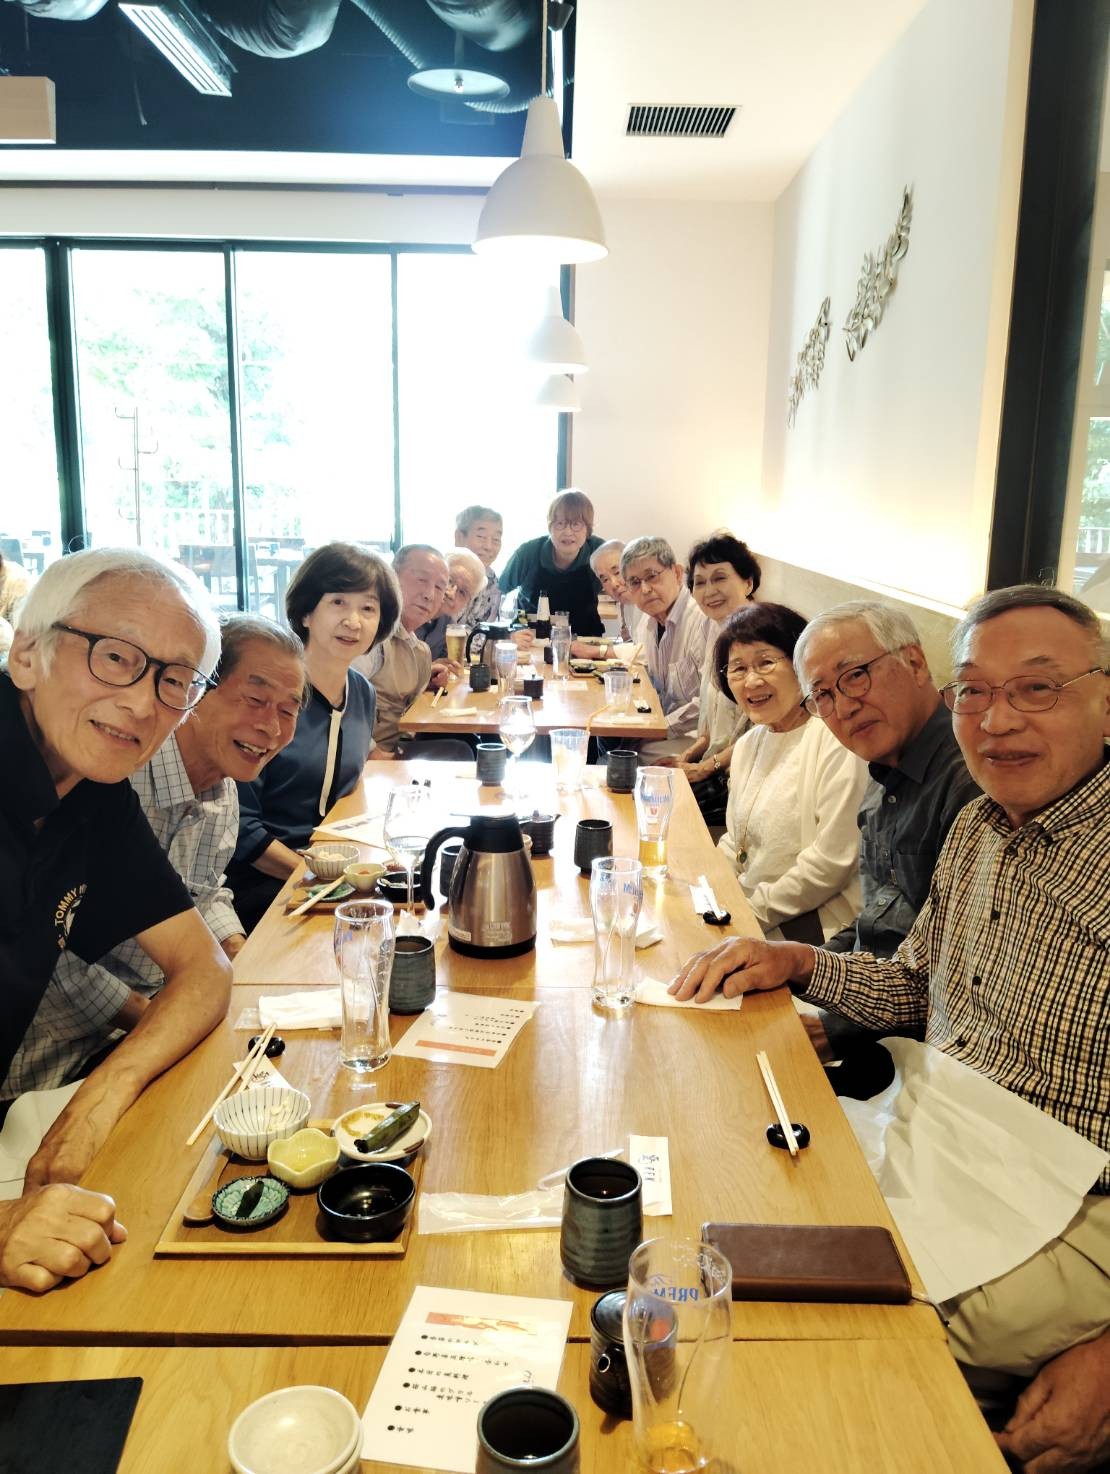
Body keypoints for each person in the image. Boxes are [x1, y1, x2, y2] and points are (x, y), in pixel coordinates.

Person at [671, 585, 1110, 1392]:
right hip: (935, 1123)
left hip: (1073, 1189)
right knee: (735, 1193)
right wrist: (798, 964)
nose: (996, 720)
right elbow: (915, 983)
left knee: (848, 1349)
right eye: (974, 691)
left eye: (1037, 688)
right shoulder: (981, 827)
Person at [2, 546, 231, 1292]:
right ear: (27, 653)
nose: (142, 703)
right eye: (115, 657)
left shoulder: (92, 791)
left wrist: (102, 1096)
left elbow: (204, 969)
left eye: (174, 680)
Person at [4, 615, 306, 1100]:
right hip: (56, 1062)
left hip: (157, 1017)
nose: (271, 726)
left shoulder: (222, 790)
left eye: (288, 710)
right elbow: (54, 961)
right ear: (193, 693)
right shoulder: (111, 778)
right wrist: (170, 1020)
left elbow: (206, 890)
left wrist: (240, 959)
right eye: (254, 700)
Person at [792, 600, 982, 1087]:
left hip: (913, 1054)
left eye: (855, 676)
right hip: (861, 1004)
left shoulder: (973, 783)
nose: (844, 707)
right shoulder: (883, 773)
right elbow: (876, 920)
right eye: (822, 695)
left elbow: (949, 977)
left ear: (915, 662)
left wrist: (832, 1029)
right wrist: (797, 969)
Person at [229, 542, 398, 932]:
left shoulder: (361, 692)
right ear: (306, 612)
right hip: (264, 884)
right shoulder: (270, 697)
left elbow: (351, 782)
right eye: (338, 602)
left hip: (334, 871)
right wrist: (320, 877)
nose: (353, 621)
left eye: (368, 608)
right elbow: (240, 828)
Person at [716, 602, 867, 939]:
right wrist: (708, 887)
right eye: (738, 668)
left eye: (765, 663)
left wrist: (748, 914)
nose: (751, 680)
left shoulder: (836, 741)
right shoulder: (749, 744)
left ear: (802, 665)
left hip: (814, 923)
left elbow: (830, 865)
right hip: (747, 907)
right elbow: (735, 841)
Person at [657, 533, 760, 824]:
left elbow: (761, 734)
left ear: (748, 582)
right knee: (648, 783)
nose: (709, 590)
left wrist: (703, 769)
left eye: (720, 578)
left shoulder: (758, 640)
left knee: (660, 811)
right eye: (700, 582)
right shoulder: (717, 634)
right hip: (716, 767)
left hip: (741, 777)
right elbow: (710, 731)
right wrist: (686, 758)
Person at [620, 535, 712, 758]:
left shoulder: (703, 620)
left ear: (677, 573)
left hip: (697, 736)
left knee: (632, 758)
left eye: (652, 576)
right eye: (635, 582)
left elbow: (708, 704)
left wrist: (659, 727)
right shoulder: (647, 622)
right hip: (660, 726)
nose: (645, 589)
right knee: (611, 745)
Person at [356, 544, 447, 755]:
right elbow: (337, 705)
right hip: (366, 759)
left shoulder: (420, 651)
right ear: (391, 578)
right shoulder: (371, 638)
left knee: (464, 746)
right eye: (422, 580)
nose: (429, 595)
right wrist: (374, 754)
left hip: (398, 749)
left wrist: (427, 682)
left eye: (439, 587)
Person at [499, 489, 604, 638]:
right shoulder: (528, 553)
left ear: (588, 529)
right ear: (550, 527)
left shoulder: (599, 552)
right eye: (560, 523)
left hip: (585, 640)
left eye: (576, 524)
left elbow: (624, 588)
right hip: (530, 638)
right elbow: (497, 591)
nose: (568, 532)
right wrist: (507, 634)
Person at [418, 548, 487, 659]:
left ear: (466, 604)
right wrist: (429, 667)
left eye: (462, 592)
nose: (451, 594)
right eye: (449, 581)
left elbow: (447, 663)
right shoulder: (409, 608)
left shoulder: (450, 626)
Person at [456, 505, 504, 626]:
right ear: (459, 538)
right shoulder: (442, 577)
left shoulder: (492, 581)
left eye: (496, 539)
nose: (488, 547)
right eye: (481, 537)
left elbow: (486, 629)